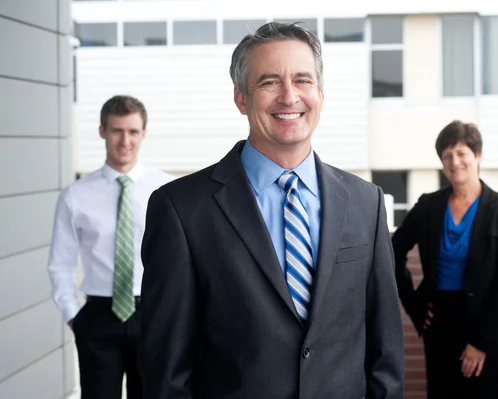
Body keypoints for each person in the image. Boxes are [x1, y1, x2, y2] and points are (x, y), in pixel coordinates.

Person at [139, 22, 405, 399]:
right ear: (241, 98)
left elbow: (386, 354)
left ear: (321, 93)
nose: (289, 96)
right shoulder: (181, 210)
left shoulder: (367, 203)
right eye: (268, 82)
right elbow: (166, 371)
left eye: (302, 80)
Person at [47, 95, 174, 399]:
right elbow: (60, 264)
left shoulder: (167, 191)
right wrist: (73, 314)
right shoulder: (75, 196)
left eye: (132, 132)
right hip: (99, 317)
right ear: (102, 131)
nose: (124, 141)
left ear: (144, 133)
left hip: (153, 313)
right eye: (117, 130)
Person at [392, 120, 498, 399]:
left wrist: (480, 343)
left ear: (478, 155)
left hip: (490, 325)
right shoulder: (429, 205)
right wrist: (415, 303)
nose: (455, 162)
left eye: (462, 153)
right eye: (447, 155)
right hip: (440, 321)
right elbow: (391, 251)